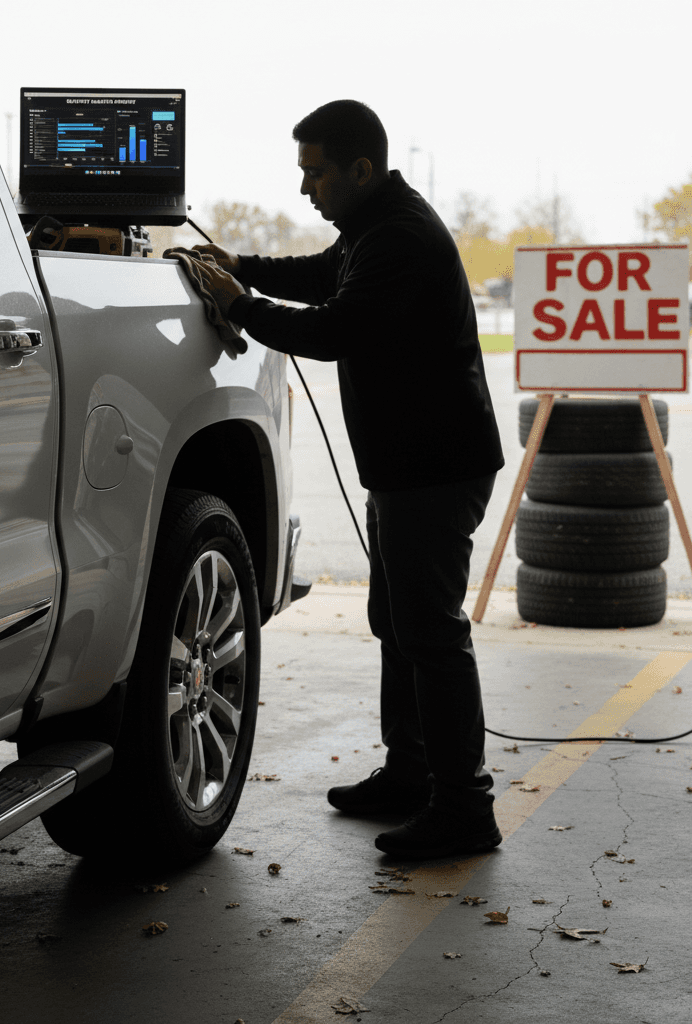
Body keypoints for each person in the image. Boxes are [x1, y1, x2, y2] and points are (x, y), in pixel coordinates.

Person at [193, 99, 505, 859]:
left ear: (359, 169)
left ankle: (465, 807)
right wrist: (242, 269)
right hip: (410, 468)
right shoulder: (371, 225)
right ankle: (411, 773)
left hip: (434, 470)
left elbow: (334, 326)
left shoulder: (398, 237)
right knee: (398, 627)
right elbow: (319, 274)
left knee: (429, 635)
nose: (306, 189)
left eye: (316, 172)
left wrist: (242, 305)